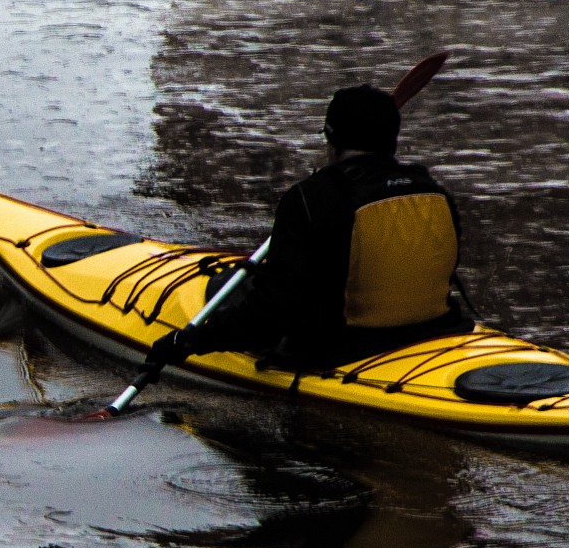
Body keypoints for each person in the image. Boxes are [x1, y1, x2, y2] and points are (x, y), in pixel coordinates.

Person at [169, 83, 467, 371]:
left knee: (229, 287)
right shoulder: (432, 190)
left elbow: (267, 316)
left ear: (331, 139)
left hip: (342, 349)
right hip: (437, 330)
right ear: (393, 139)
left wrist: (192, 341)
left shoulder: (310, 199)